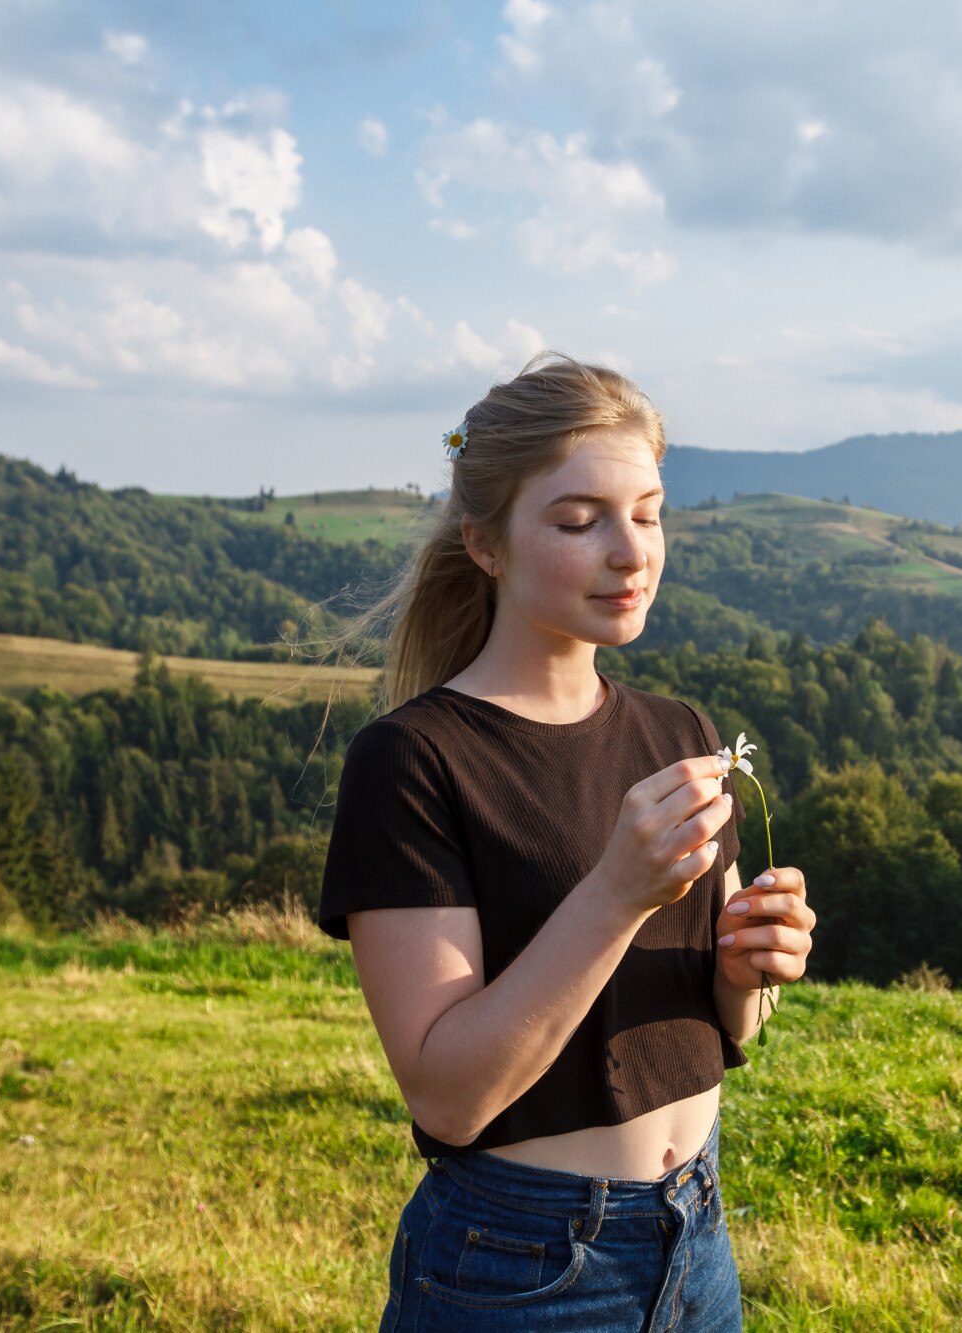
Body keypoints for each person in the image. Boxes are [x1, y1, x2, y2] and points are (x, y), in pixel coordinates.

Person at [314, 350, 815, 1331]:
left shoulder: (678, 732)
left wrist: (749, 968)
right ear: (486, 544)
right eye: (579, 521)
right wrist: (614, 893)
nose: (630, 551)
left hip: (697, 1238)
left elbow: (720, 1031)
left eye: (648, 511)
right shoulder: (414, 760)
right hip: (521, 1267)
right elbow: (448, 1095)